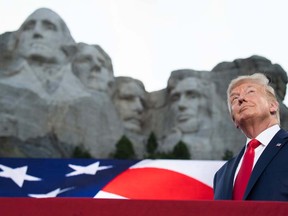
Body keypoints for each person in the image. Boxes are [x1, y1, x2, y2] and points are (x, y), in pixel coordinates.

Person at [213, 73, 288, 201]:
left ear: (273, 106)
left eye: (250, 91)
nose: (241, 98)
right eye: (234, 99)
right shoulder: (221, 176)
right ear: (234, 120)